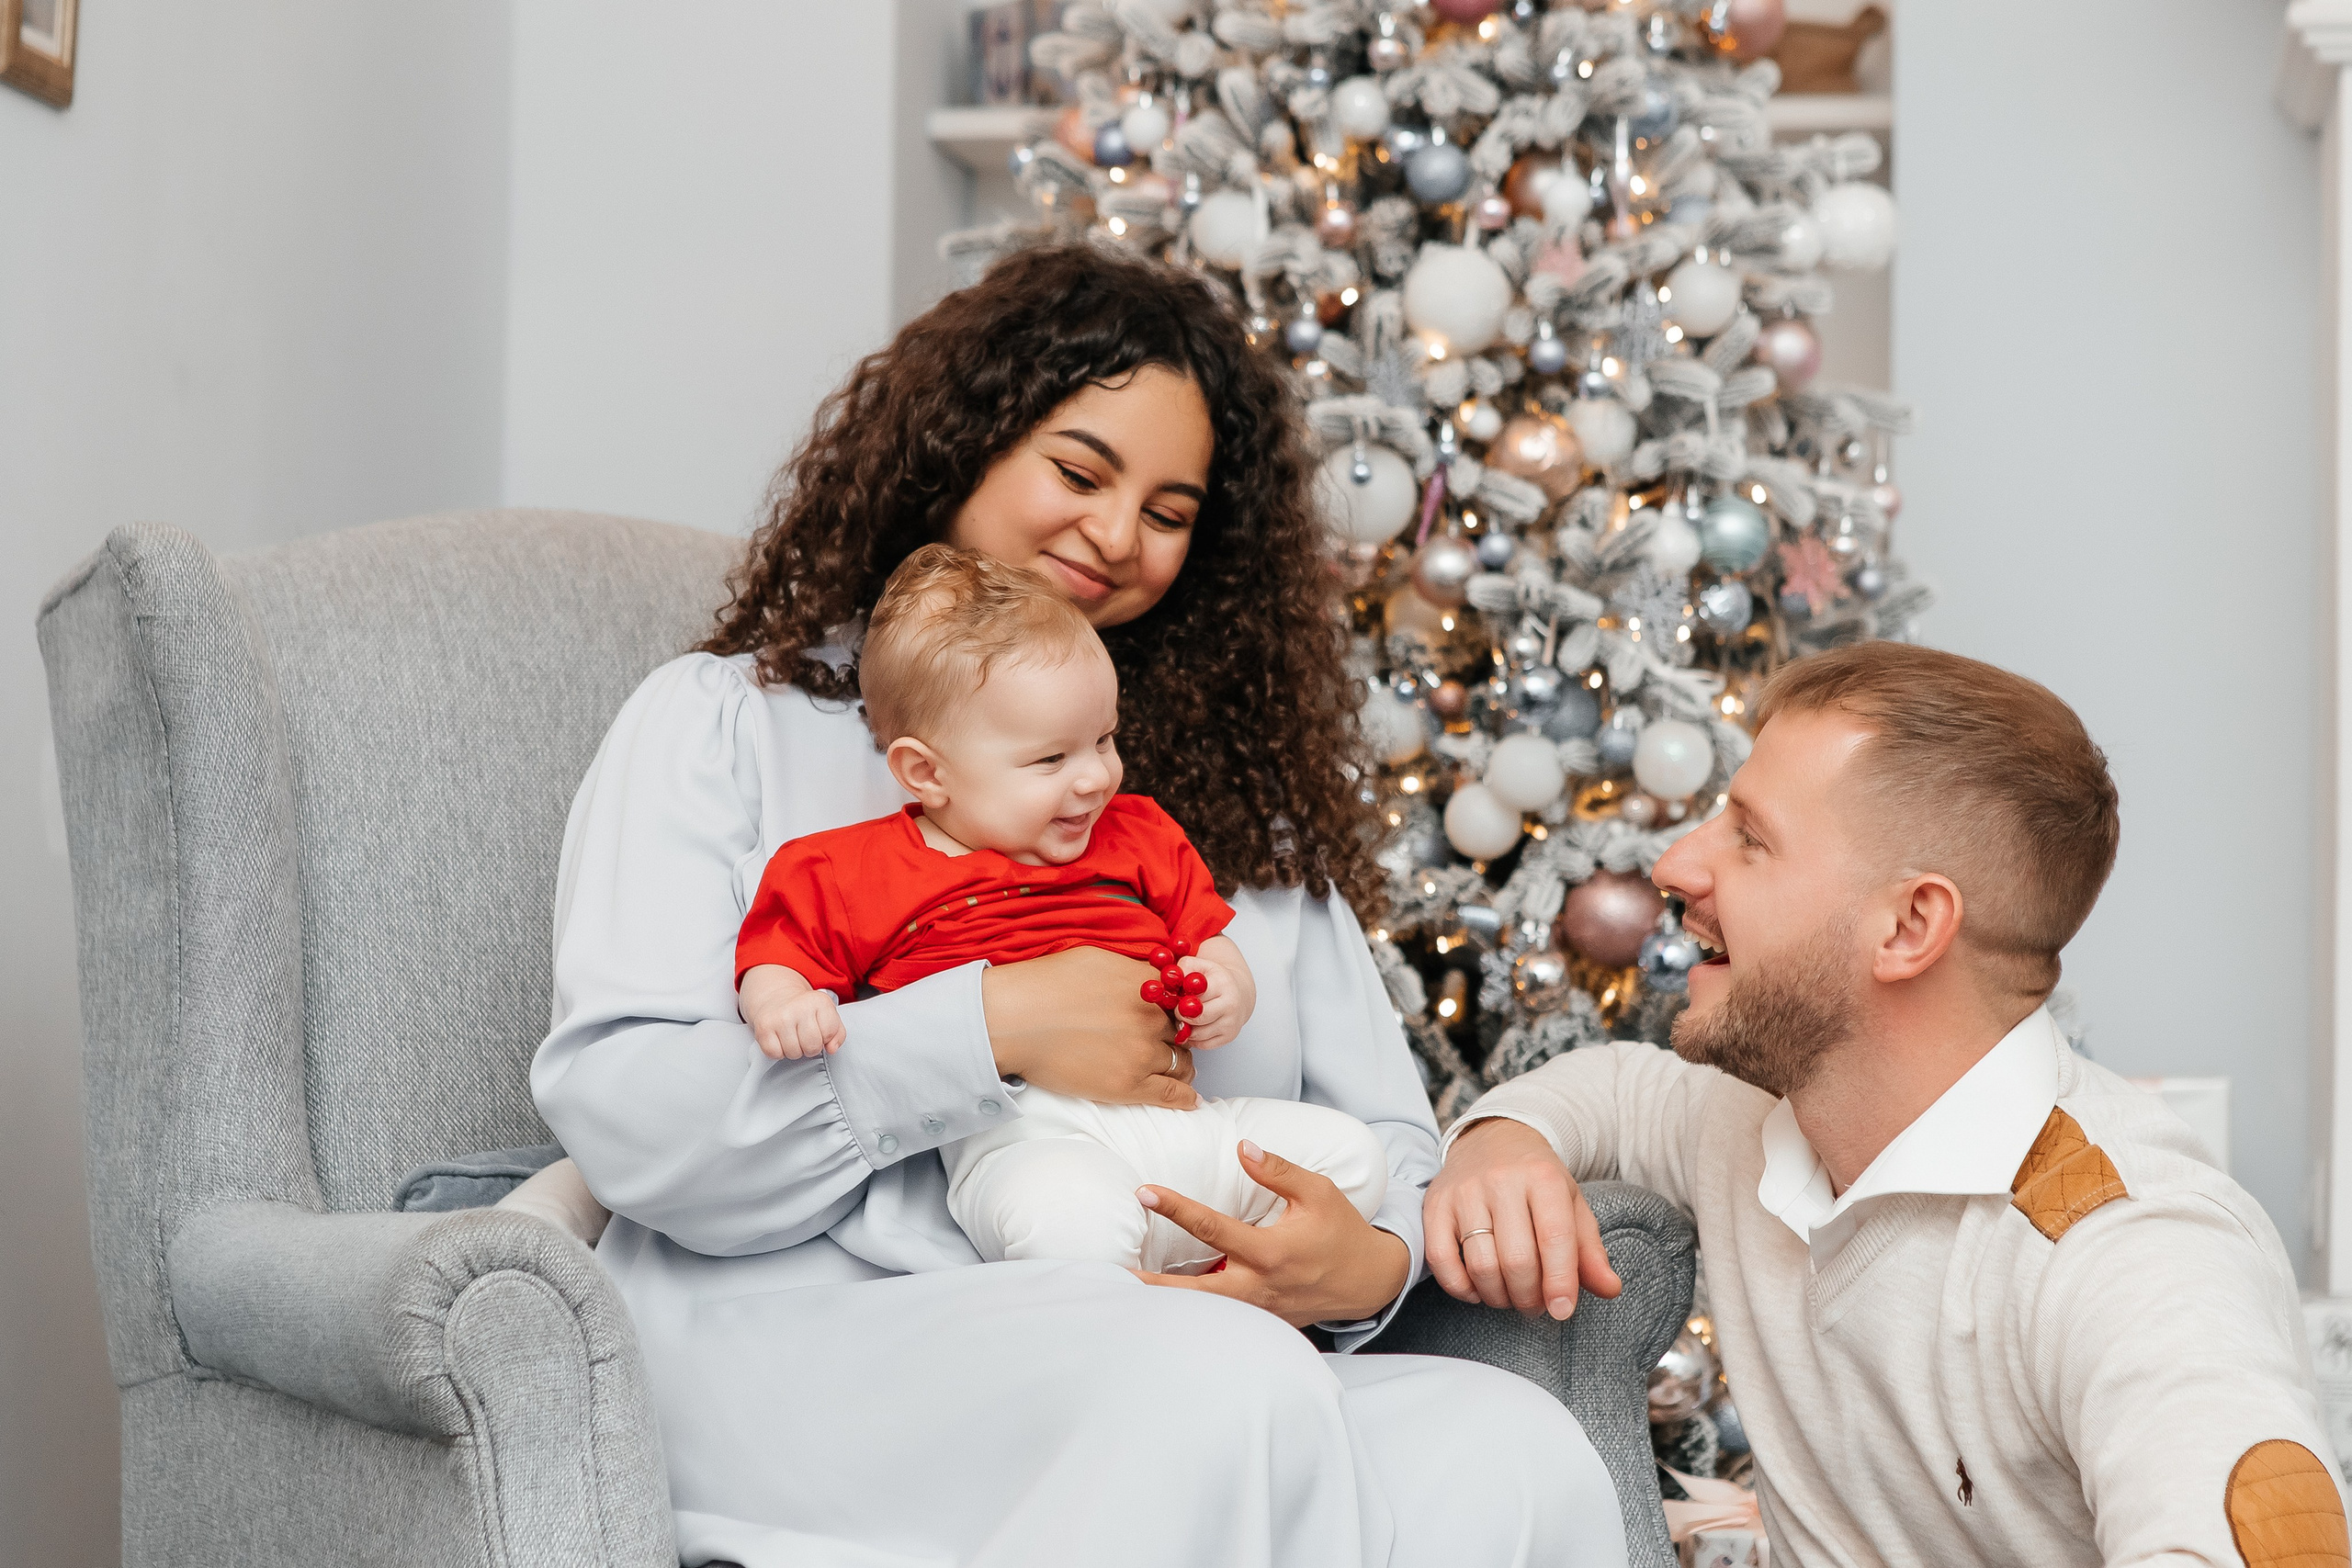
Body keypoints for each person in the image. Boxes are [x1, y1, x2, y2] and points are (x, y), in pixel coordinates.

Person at [532, 242, 1625, 1568]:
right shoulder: (725, 725)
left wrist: (1370, 1265)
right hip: (803, 1336)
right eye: (1080, 471)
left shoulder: (1222, 796)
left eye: (1169, 511)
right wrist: (986, 1026)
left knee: (1505, 1449)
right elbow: (636, 1114)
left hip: (1171, 1336)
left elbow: (1384, 1125)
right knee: (1220, 1381)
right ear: (959, 447)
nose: (1117, 537)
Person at [1426, 641, 2346, 1564]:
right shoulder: (1754, 1121)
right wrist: (1503, 1139)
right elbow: (1617, 1094)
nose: (1674, 866)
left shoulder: (2130, 1251)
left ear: (1909, 927)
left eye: (1751, 839)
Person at [733, 542, 1388, 1275]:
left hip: (1189, 1127)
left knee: (1354, 1158)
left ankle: (1193, 1280)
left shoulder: (1138, 833)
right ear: (927, 771)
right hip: (1026, 1136)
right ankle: (1135, 1304)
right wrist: (784, 1001)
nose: (1095, 778)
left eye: (1104, 739)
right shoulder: (848, 869)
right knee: (1066, 1217)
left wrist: (1228, 987)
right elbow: (775, 959)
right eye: (1051, 760)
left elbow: (1212, 937)